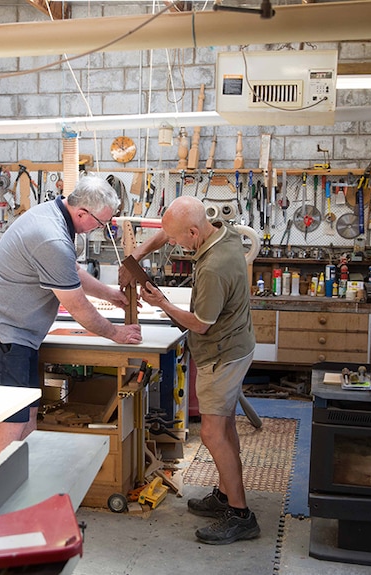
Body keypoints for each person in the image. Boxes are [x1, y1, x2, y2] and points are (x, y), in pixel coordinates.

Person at [0, 175, 142, 459]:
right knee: (13, 418)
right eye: (100, 222)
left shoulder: (57, 216)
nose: (101, 228)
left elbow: (72, 273)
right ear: (82, 212)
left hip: (18, 334)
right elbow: (77, 306)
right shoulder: (52, 237)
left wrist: (109, 295)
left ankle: (23, 480)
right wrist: (115, 333)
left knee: (30, 413)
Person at [132, 195, 259, 545]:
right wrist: (138, 256)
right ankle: (225, 494)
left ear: (193, 230)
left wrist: (162, 304)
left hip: (223, 352)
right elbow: (166, 232)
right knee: (225, 425)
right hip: (237, 344)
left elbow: (201, 324)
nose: (172, 245)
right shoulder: (221, 230)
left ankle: (240, 515)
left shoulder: (215, 266)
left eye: (176, 240)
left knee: (212, 433)